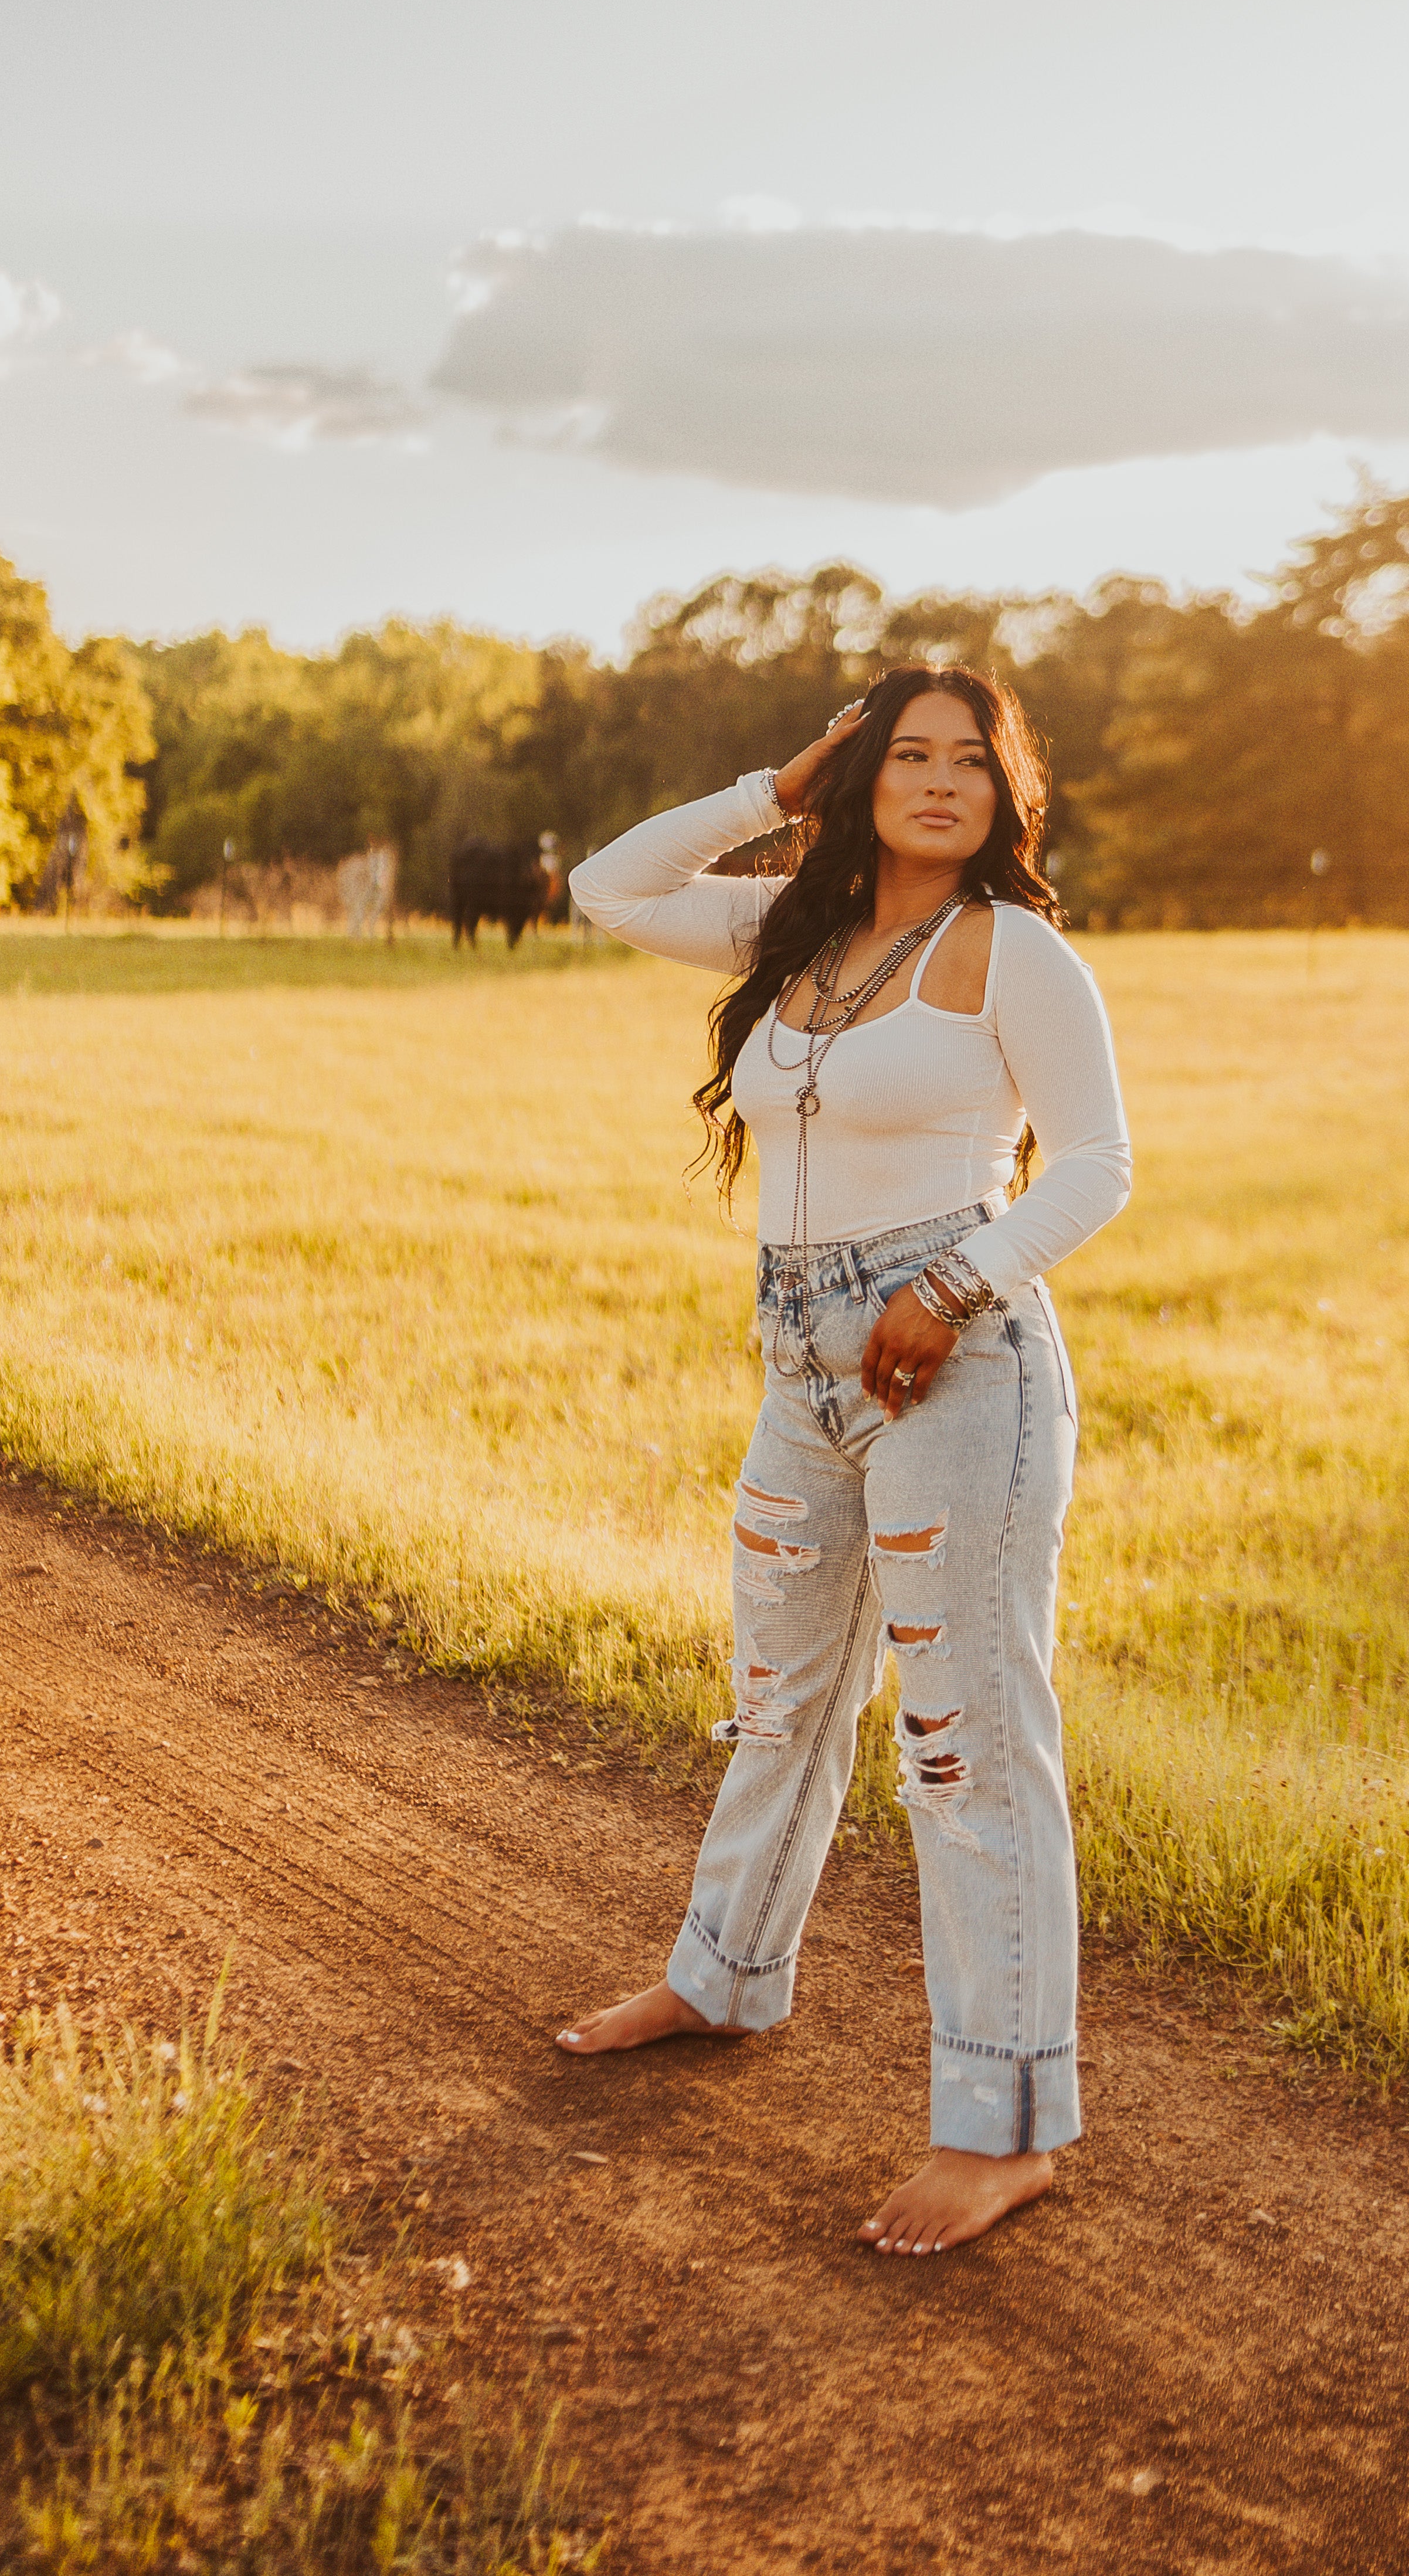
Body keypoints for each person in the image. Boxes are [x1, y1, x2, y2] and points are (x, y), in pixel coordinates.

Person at [559, 666, 1131, 2257]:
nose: (941, 782)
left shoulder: (1013, 953)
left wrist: (949, 1291)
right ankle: (723, 1978)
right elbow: (611, 886)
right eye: (909, 754)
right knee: (783, 1698)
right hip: (800, 1361)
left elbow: (1097, 1165)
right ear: (864, 772)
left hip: (957, 1367)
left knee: (964, 1742)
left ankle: (1001, 2129)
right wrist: (778, 786)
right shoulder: (795, 930)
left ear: (1007, 796)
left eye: (973, 761)